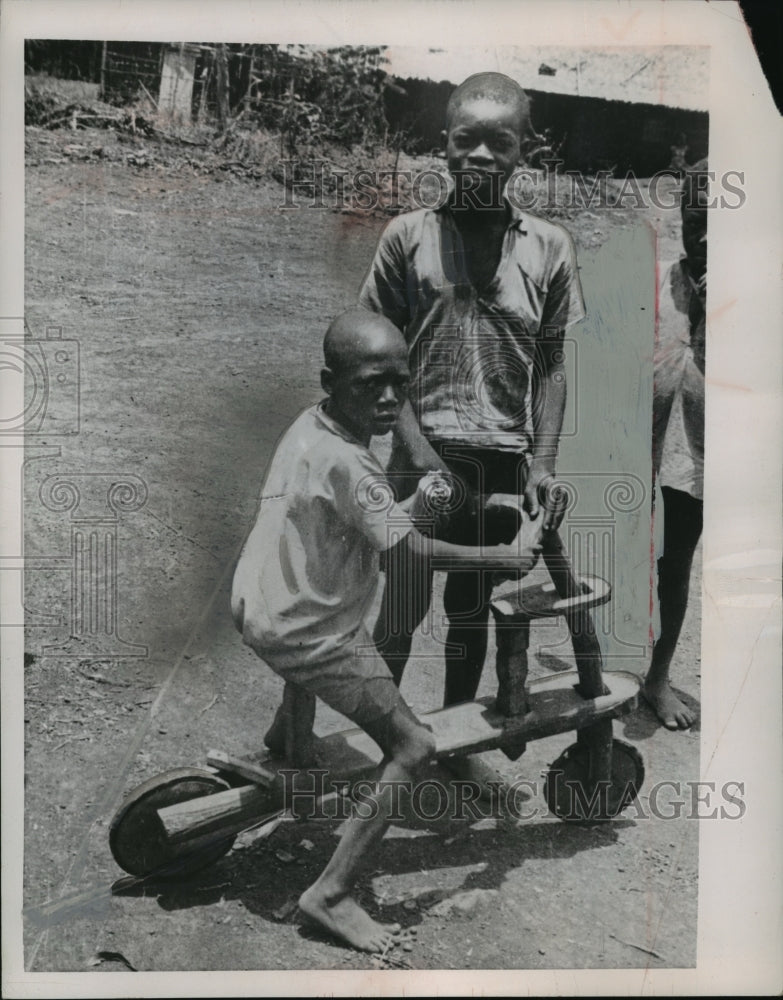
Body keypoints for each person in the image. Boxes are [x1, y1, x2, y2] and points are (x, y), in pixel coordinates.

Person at [231, 307, 541, 951]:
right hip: (308, 633)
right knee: (414, 746)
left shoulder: (309, 427)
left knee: (323, 616)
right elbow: (409, 552)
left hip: (260, 603)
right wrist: (502, 556)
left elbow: (369, 517)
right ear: (331, 382)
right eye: (371, 384)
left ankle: (290, 739)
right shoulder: (353, 463)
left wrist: (432, 501)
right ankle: (331, 893)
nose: (389, 399)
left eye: (400, 383)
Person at [359, 72, 585, 787]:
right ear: (445, 144)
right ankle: (384, 750)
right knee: (400, 608)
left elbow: (551, 366)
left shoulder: (549, 247)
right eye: (467, 140)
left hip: (501, 462)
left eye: (500, 142)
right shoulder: (406, 238)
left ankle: (456, 747)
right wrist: (421, 453)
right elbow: (379, 364)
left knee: (471, 609)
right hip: (420, 457)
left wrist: (542, 463)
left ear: (524, 151)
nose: (482, 155)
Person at [645, 159, 708, 730]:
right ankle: (605, 669)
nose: (704, 237)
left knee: (675, 566)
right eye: (695, 220)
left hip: (695, 457)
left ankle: (657, 677)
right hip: (639, 445)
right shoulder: (656, 279)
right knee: (619, 556)